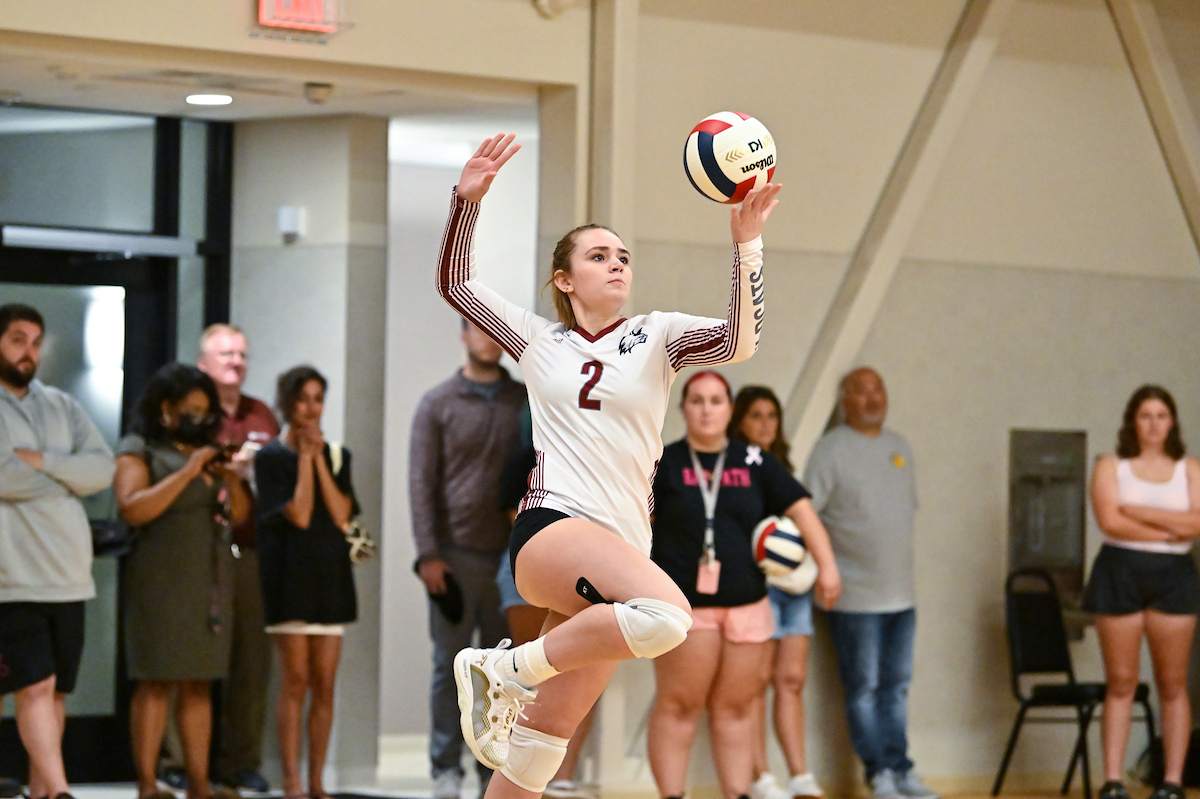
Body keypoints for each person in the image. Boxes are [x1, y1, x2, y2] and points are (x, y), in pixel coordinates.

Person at [440, 133, 780, 799]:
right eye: (599, 255)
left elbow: (740, 338)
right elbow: (457, 282)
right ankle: (505, 666)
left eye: (623, 255)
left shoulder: (657, 334)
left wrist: (748, 243)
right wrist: (465, 204)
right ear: (565, 280)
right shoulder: (540, 339)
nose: (617, 264)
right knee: (668, 616)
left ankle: (512, 673)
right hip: (552, 528)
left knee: (538, 749)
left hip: (619, 548)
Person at [648, 372, 839, 799]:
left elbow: (803, 512)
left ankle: (737, 792)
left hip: (748, 606)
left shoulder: (754, 460)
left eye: (716, 401)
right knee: (680, 705)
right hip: (685, 606)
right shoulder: (665, 461)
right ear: (683, 409)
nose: (707, 409)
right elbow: (633, 523)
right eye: (696, 401)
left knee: (735, 709)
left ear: (729, 409)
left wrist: (827, 567)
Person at [113, 363, 250, 799]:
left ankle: (198, 783)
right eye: (191, 409)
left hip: (207, 580)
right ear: (167, 408)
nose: (199, 417)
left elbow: (241, 516)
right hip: (159, 578)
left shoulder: (205, 449)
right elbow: (133, 508)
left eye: (205, 410)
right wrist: (188, 472)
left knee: (199, 682)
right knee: (155, 680)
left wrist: (228, 474)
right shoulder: (140, 448)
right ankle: (148, 784)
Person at [802, 367, 936, 799]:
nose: (872, 398)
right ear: (844, 400)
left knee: (896, 688)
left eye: (879, 388)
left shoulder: (901, 449)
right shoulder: (830, 450)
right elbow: (807, 517)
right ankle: (878, 773)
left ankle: (900, 769)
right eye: (860, 391)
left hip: (901, 596)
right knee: (863, 689)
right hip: (853, 598)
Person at [0, 303, 115, 799]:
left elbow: (102, 469)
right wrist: (67, 481)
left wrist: (44, 463)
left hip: (69, 573)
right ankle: (64, 791)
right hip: (13, 576)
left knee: (56, 693)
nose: (29, 351)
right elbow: (3, 473)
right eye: (18, 339)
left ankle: (42, 790)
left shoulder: (62, 404)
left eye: (36, 341)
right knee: (35, 687)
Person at [409, 319, 528, 799]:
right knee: (449, 666)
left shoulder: (525, 399)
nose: (489, 340)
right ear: (462, 336)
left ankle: (492, 771)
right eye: (479, 331)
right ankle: (445, 768)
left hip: (515, 558)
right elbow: (421, 483)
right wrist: (427, 556)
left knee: (504, 670)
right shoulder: (437, 403)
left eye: (497, 332)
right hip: (454, 558)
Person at [1084, 385, 1200, 799]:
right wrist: (1172, 527)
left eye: (1162, 415)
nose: (1154, 424)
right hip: (1120, 572)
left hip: (1175, 576)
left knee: (1172, 683)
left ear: (1173, 422)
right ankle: (1113, 780)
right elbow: (1111, 523)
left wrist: (1140, 511)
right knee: (1121, 681)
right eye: (1146, 415)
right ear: (1133, 420)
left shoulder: (1190, 468)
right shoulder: (1110, 466)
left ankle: (1171, 781)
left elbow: (1196, 524)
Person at [255, 366, 358, 799]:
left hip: (330, 577)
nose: (311, 408)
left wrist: (317, 458)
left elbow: (340, 515)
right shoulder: (270, 458)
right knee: (295, 679)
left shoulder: (337, 456)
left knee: (325, 683)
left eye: (318, 398)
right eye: (303, 398)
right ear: (286, 402)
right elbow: (298, 514)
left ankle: (316, 780)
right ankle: (291, 780)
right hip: (288, 579)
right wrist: (302, 458)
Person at [728, 385, 824, 799]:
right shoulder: (733, 469)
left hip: (794, 590)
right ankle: (761, 777)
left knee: (791, 679)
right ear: (739, 422)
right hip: (757, 591)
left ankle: (800, 775)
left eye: (772, 415)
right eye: (756, 415)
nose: (765, 424)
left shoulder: (783, 468)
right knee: (755, 682)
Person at [196, 323, 279, 794]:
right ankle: (182, 759)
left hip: (249, 549)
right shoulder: (193, 410)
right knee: (191, 656)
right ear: (204, 361)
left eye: (242, 353)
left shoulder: (261, 413)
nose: (236, 361)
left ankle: (240, 760)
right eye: (226, 353)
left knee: (251, 661)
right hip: (197, 551)